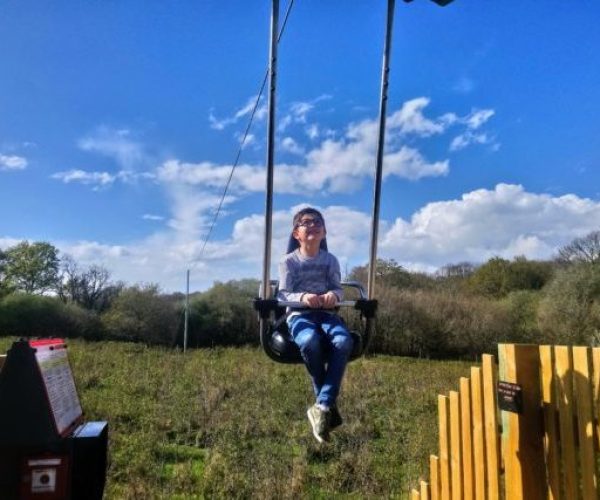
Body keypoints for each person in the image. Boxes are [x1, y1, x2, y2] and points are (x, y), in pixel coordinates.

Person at [278, 207, 354, 443]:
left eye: (317, 222)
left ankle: (322, 406)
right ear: (296, 234)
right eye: (305, 222)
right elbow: (282, 295)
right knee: (310, 341)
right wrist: (302, 298)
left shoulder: (330, 260)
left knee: (343, 342)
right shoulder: (288, 262)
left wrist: (334, 295)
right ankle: (327, 406)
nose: (312, 225)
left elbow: (338, 289)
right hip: (300, 316)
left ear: (325, 232)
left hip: (327, 315)